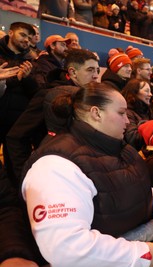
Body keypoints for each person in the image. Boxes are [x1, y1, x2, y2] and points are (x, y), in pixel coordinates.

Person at [22, 82, 153, 267]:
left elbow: (135, 185)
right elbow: (65, 246)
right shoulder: (54, 165)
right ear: (96, 113)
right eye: (121, 113)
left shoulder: (122, 149)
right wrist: (137, 254)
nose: (128, 121)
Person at [6, 49, 99, 187]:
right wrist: (25, 177)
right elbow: (16, 137)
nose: (96, 76)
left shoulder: (88, 96)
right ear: (73, 72)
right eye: (90, 70)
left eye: (97, 70)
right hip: (50, 175)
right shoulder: (49, 95)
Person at [0, 22, 35, 183]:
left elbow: (36, 92)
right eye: (23, 35)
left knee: (16, 170)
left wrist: (27, 79)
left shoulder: (32, 61)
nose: (27, 40)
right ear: (11, 33)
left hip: (17, 126)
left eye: (29, 37)